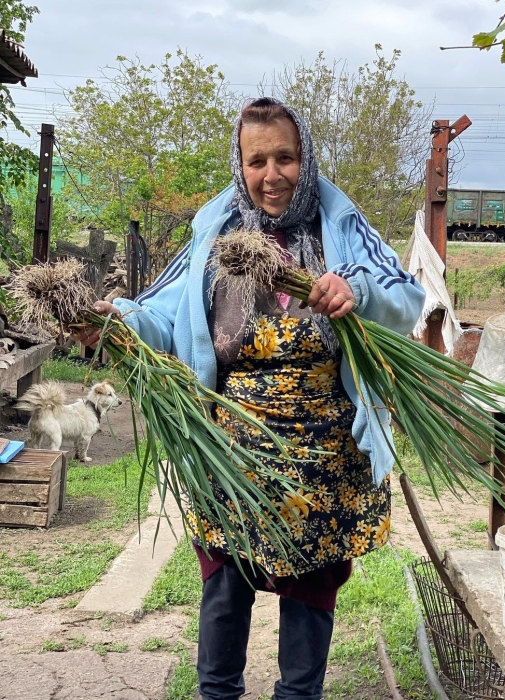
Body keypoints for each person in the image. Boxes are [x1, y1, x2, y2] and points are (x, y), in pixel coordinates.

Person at [78, 97, 425, 700]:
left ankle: (299, 695)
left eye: (286, 157)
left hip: (324, 452)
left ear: (306, 157)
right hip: (231, 448)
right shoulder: (216, 232)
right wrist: (117, 321)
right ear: (239, 164)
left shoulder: (340, 225)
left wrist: (357, 289)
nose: (272, 175)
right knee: (225, 584)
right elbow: (163, 314)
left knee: (311, 589)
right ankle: (217, 693)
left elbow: (407, 297)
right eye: (257, 160)